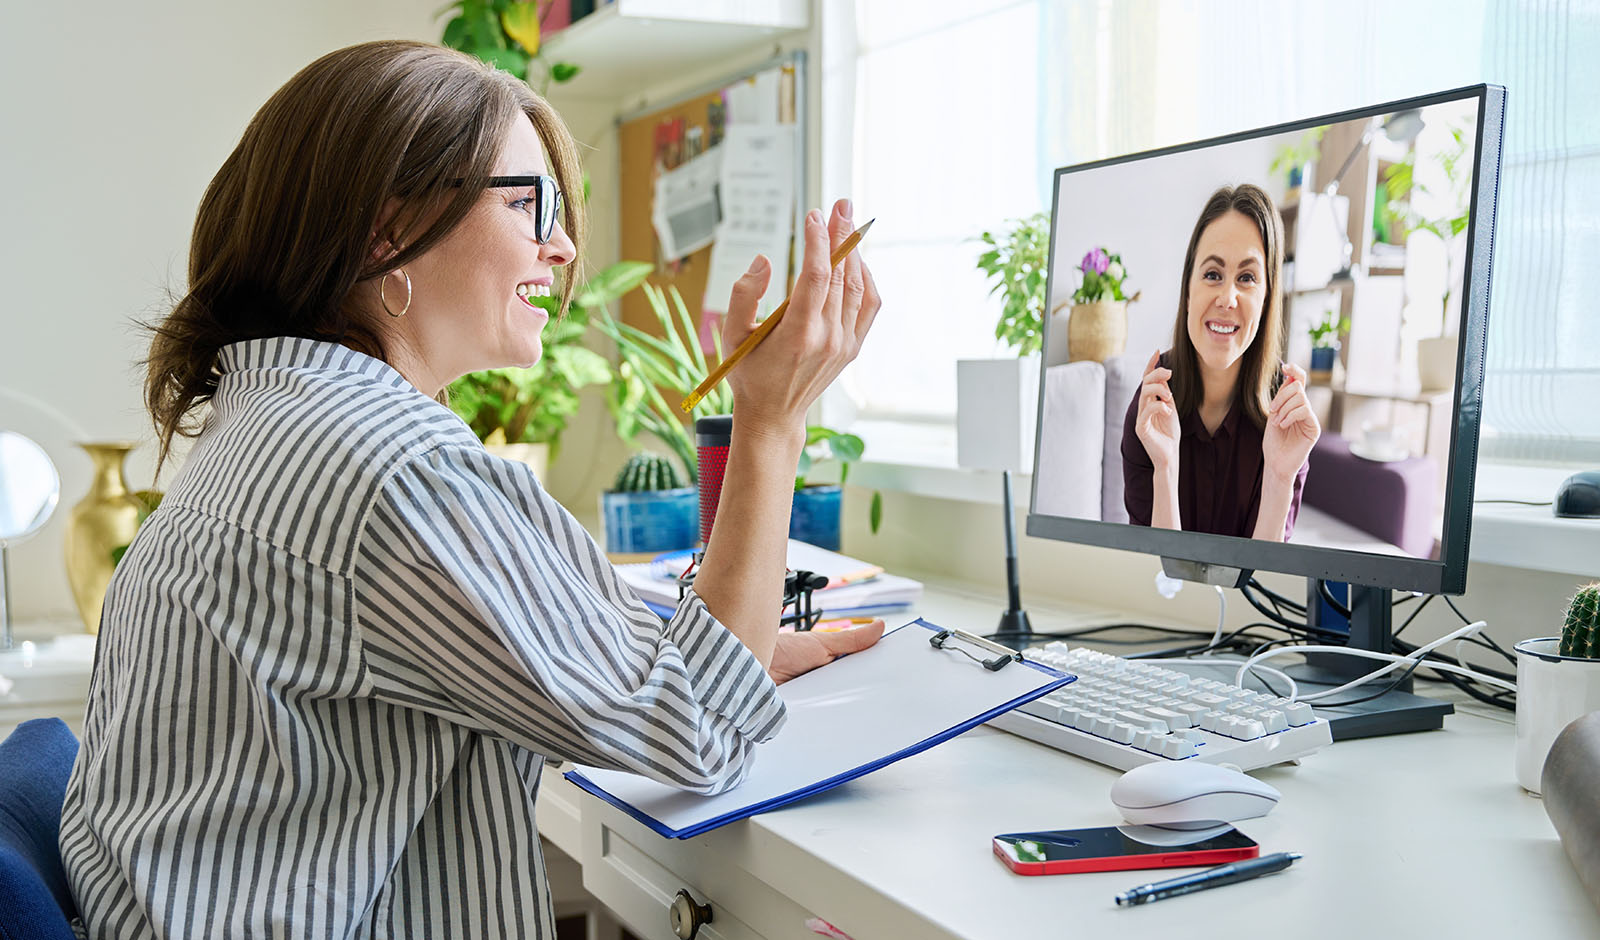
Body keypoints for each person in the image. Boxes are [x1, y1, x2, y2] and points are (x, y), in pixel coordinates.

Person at [57, 40, 883, 939]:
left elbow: (587, 654)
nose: (563, 248)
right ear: (388, 227)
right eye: (535, 205)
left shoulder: (271, 420)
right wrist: (769, 423)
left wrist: (730, 648)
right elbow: (701, 734)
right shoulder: (397, 468)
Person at [1121, 183, 1319, 541]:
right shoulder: (1150, 405)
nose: (1227, 298)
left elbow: (1264, 583)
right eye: (1213, 274)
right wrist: (1164, 468)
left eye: (1247, 278)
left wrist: (1279, 477)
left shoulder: (1286, 415)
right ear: (1188, 290)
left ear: (1266, 299)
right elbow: (1155, 582)